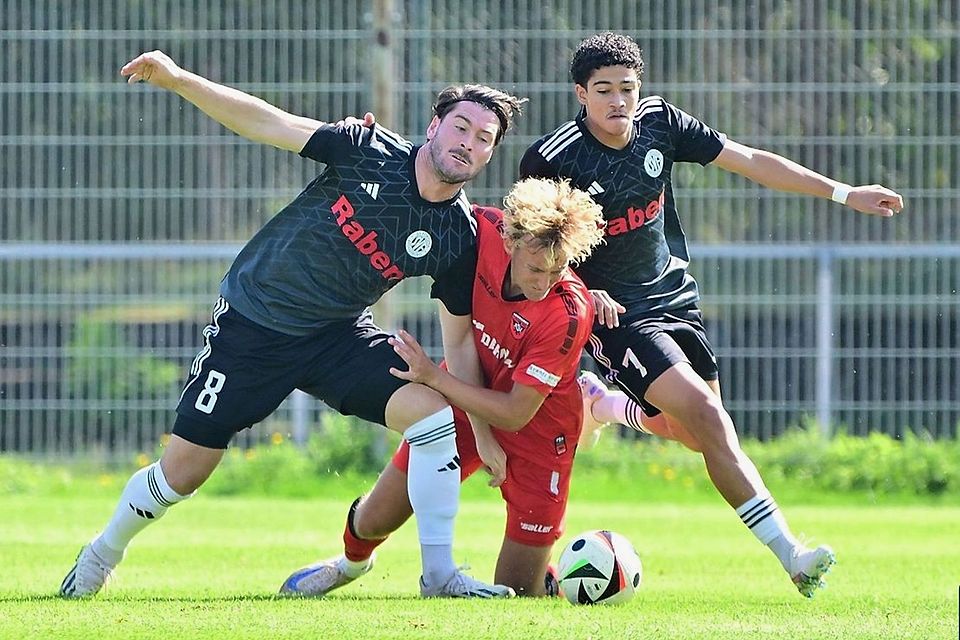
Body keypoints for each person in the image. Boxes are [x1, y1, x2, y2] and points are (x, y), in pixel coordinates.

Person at [59, 50, 525, 599]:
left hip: (337, 337)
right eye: (460, 127)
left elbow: (458, 337)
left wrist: (481, 429)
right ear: (434, 127)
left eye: (483, 138)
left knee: (434, 419)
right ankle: (102, 553)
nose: (468, 143)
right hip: (255, 323)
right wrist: (179, 79)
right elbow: (267, 122)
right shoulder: (368, 151)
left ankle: (441, 576)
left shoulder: (459, 235)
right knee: (181, 475)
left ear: (490, 154)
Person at [519, 32, 904, 598]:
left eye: (627, 87)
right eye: (604, 90)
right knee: (707, 416)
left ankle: (602, 404)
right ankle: (792, 556)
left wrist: (845, 193)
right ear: (581, 94)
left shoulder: (660, 122)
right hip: (618, 315)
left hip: (675, 299)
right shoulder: (552, 159)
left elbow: (747, 159)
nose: (618, 101)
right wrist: (577, 286)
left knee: (696, 434)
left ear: (640, 87)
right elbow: (532, 245)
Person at [278, 177, 605, 597]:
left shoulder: (568, 312)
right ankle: (347, 566)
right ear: (511, 242)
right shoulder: (480, 231)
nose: (544, 283)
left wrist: (434, 378)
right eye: (535, 268)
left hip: (540, 433)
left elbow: (514, 412)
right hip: (465, 396)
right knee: (375, 518)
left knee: (518, 590)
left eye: (557, 270)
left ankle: (562, 579)